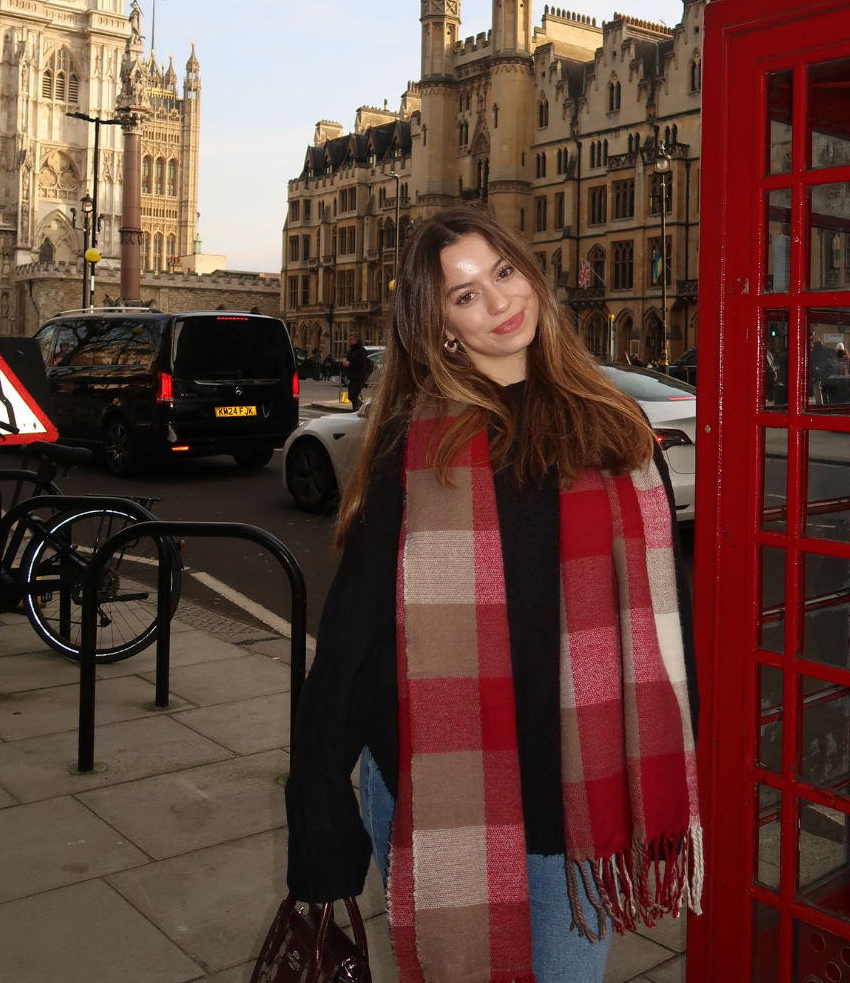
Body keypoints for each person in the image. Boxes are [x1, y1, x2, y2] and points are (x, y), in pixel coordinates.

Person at [286, 206, 702, 983]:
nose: (499, 303)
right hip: (442, 774)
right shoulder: (418, 448)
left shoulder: (615, 428)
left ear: (531, 276)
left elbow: (661, 606)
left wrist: (684, 742)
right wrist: (315, 795)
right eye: (465, 295)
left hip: (583, 777)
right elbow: (351, 639)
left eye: (503, 273)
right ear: (441, 327)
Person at [341, 331, 370, 411]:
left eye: (351, 339)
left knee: (353, 396)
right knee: (351, 396)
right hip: (352, 376)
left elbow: (362, 364)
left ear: (356, 340)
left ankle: (363, 409)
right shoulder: (350, 350)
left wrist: (350, 364)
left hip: (360, 376)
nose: (349, 341)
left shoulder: (361, 350)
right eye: (348, 340)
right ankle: (357, 410)